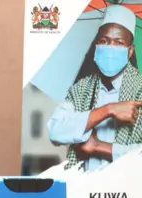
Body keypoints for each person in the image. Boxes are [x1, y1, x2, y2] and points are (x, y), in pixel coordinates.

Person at [48, 5, 142, 171]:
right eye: (104, 41)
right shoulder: (80, 89)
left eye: (119, 42)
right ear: (96, 46)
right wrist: (109, 110)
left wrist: (98, 146)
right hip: (85, 189)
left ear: (130, 51)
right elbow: (55, 130)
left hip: (127, 191)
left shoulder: (139, 90)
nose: (110, 47)